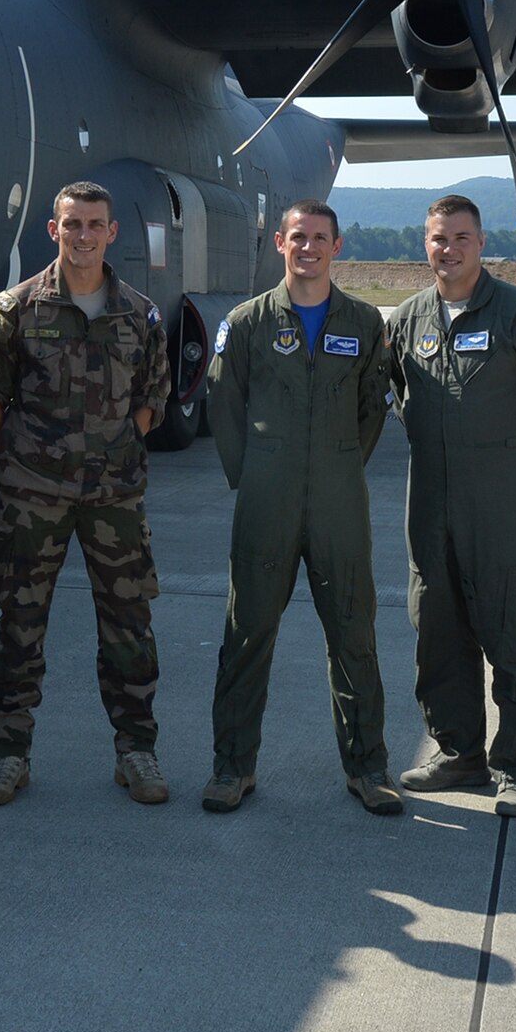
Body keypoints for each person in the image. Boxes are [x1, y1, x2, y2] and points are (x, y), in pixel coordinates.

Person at [0, 182, 173, 808]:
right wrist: (31, 456)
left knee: (129, 626)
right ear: (51, 230)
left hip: (114, 498)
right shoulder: (14, 310)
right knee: (19, 626)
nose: (82, 235)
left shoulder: (139, 313)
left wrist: (111, 451)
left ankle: (136, 749)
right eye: (71, 224)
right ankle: (7, 756)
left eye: (94, 225)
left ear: (113, 233)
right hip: (33, 497)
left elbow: (153, 400)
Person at [202, 200, 399, 815]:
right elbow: (222, 400)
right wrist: (256, 472)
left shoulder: (366, 323)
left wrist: (338, 462)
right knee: (247, 632)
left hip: (340, 501)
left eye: (320, 238)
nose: (308, 247)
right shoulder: (249, 321)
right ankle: (233, 768)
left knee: (354, 634)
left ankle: (368, 768)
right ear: (280, 244)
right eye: (297, 237)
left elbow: (373, 407)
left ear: (337, 247)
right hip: (267, 500)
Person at [387, 196, 516, 817]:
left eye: (461, 237)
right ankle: (459, 752)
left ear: (481, 242)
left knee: (514, 630)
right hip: (432, 498)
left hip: (503, 500)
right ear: (426, 244)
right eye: (439, 238)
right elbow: (395, 390)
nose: (449, 249)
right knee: (438, 629)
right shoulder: (409, 317)